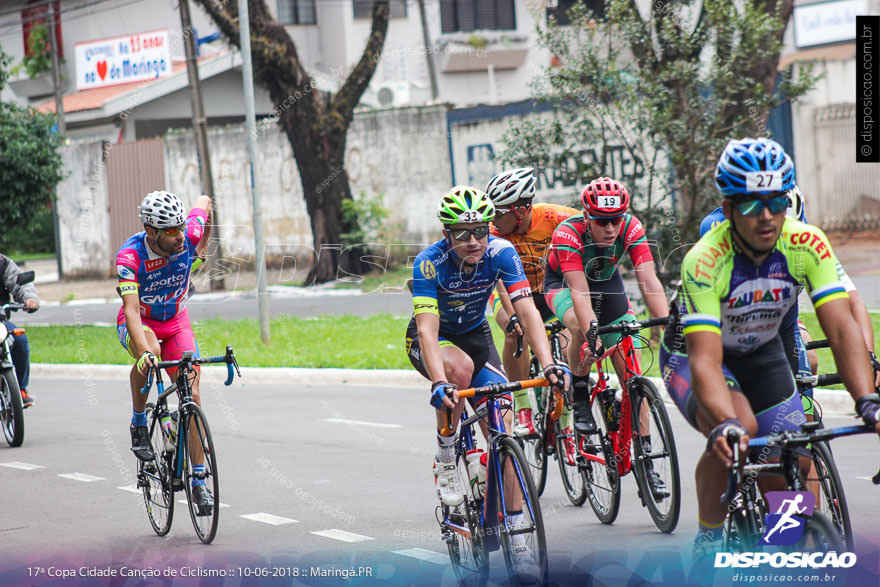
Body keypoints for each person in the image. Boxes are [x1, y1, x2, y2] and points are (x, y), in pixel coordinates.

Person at [660, 137, 879, 559]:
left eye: (776, 202)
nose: (766, 217)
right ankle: (708, 539)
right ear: (726, 209)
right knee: (739, 431)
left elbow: (840, 326)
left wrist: (868, 400)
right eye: (749, 204)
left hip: (760, 353)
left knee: (795, 458)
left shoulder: (807, 244)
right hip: (696, 357)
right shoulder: (705, 260)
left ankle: (781, 556)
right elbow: (706, 358)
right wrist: (723, 421)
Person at [406, 186, 566, 563]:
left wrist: (548, 364)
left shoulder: (501, 252)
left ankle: (517, 537)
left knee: (504, 436)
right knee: (458, 369)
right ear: (446, 234)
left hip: (477, 338)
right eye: (462, 233)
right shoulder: (429, 263)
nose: (474, 240)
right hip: (436, 339)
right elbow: (427, 329)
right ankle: (447, 454)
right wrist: (438, 382)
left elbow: (527, 311)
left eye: (480, 229)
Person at [542, 176, 669, 496]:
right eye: (602, 222)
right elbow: (580, 294)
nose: (611, 229)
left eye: (616, 220)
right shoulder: (567, 234)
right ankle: (580, 391)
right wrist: (592, 334)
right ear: (587, 217)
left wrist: (666, 326)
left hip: (608, 285)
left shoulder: (631, 227)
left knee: (634, 375)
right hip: (565, 285)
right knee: (577, 327)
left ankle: (647, 463)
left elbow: (650, 282)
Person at [116, 190, 214, 514]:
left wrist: (203, 240)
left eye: (180, 227)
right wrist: (144, 351)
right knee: (152, 353)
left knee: (193, 394)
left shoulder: (189, 234)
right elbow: (130, 309)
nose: (179, 236)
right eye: (171, 232)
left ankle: (198, 481)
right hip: (141, 321)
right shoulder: (130, 256)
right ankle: (139, 421)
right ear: (150, 232)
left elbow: (205, 204)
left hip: (176, 321)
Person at [485, 167, 579, 437]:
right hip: (511, 292)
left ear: (521, 211)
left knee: (570, 336)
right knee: (515, 330)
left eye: (499, 212)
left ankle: (568, 414)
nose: (493, 219)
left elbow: (593, 227)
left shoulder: (557, 217)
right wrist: (515, 315)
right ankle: (523, 403)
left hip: (552, 290)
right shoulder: (493, 233)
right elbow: (500, 280)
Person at [0, 254, 39, 407]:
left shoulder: (2, 263)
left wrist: (29, 299)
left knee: (20, 340)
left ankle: (20, 390)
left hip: (1, 322)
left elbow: (20, 282)